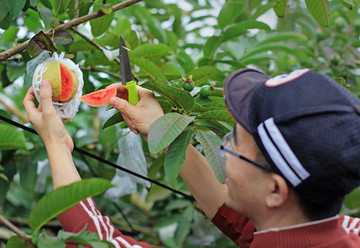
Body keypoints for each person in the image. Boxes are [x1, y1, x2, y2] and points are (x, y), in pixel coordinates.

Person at [23, 68, 360, 247]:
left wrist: (56, 142)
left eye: (234, 141)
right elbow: (248, 227)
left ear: (275, 191)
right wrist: (163, 130)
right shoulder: (346, 231)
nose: (223, 150)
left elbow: (98, 245)